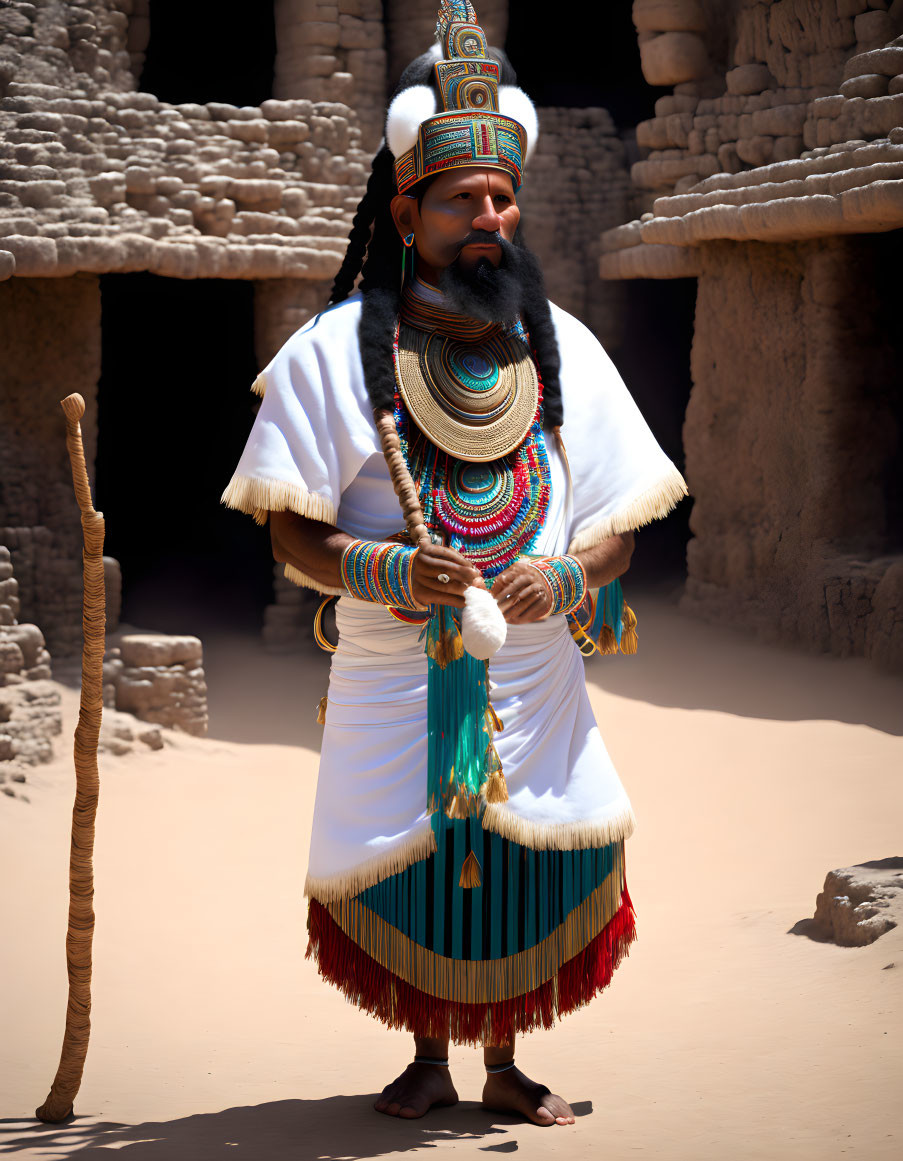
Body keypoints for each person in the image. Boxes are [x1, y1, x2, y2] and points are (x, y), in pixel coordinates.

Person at [223, 0, 687, 1128]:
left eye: (503, 196)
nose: (492, 215)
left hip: (534, 664)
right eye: (464, 199)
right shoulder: (338, 352)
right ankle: (429, 1057)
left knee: (528, 856)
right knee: (420, 858)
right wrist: (389, 573)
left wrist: (571, 577)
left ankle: (508, 1063)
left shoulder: (562, 348)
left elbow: (625, 518)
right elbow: (287, 527)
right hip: (396, 663)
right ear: (406, 210)